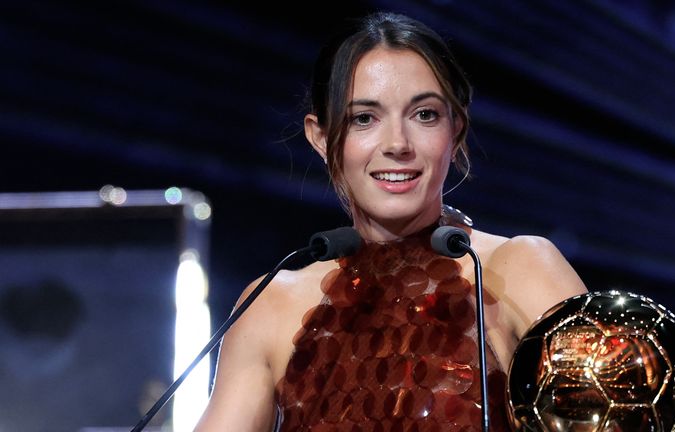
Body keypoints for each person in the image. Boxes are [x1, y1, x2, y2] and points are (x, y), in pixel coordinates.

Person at [194, 11, 587, 431]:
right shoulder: (270, 304)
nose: (397, 144)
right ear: (321, 138)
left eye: (425, 115)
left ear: (455, 129)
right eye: (364, 118)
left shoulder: (521, 269)